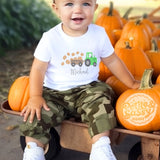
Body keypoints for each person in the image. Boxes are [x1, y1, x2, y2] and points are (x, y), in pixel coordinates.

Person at [20, 0, 140, 160]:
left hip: (87, 90)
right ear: (56, 9)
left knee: (102, 98)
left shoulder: (99, 34)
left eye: (85, 4)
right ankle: (33, 151)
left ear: (95, 8)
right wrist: (36, 96)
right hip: (54, 93)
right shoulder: (50, 38)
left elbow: (112, 61)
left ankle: (101, 148)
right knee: (36, 114)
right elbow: (38, 68)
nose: (78, 9)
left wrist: (131, 83)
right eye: (69, 4)